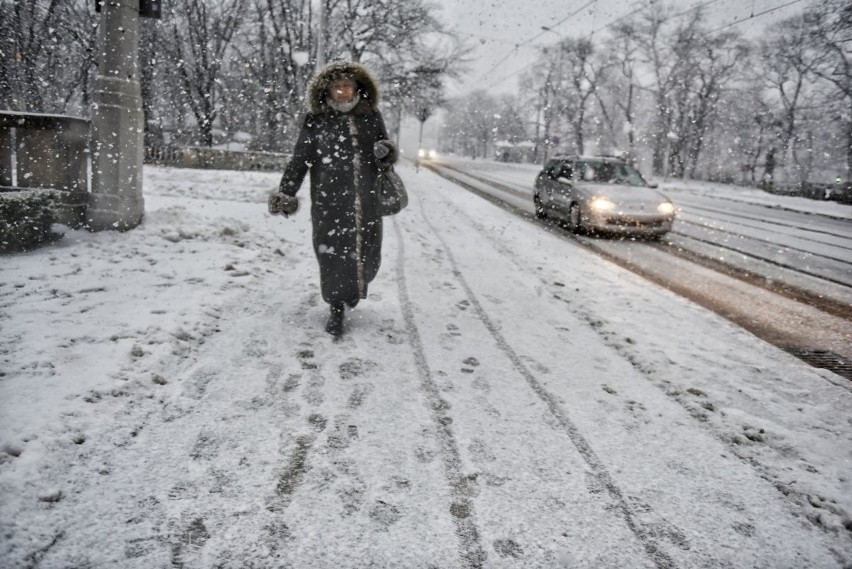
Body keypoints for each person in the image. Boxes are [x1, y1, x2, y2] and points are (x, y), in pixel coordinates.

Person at [268, 60, 398, 336]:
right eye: (336, 87)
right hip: (330, 201)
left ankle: (352, 291)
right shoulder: (317, 119)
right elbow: (301, 159)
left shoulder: (370, 115)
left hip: (367, 200)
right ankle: (336, 306)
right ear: (328, 89)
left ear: (356, 88)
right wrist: (286, 192)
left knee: (369, 256)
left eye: (347, 86)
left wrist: (385, 152)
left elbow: (385, 152)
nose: (342, 91)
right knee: (332, 257)